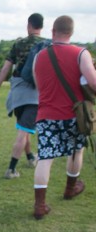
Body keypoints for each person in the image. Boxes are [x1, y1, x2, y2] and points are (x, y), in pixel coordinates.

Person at [31, 15, 96, 220]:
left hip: (46, 113)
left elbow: (38, 85)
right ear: (71, 32)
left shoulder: (39, 56)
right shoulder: (81, 53)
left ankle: (40, 205)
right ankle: (70, 188)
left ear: (53, 31)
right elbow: (93, 83)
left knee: (45, 157)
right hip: (72, 114)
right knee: (76, 150)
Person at [0, 13, 45, 180]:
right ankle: (11, 170)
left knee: (23, 127)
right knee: (23, 133)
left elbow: (5, 69)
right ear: (41, 26)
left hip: (17, 93)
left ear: (28, 25)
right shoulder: (47, 45)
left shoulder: (18, 44)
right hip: (34, 95)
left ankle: (30, 157)